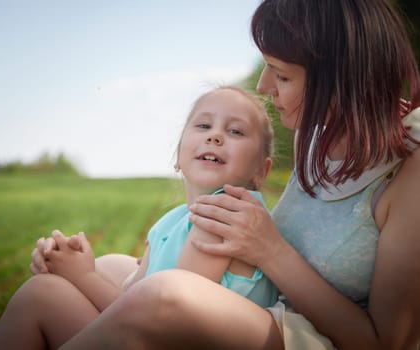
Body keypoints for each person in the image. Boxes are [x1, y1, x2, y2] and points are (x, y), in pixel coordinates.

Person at [45, 0, 419, 349]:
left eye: (282, 76)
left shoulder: (410, 174)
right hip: (274, 310)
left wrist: (270, 250)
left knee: (162, 293)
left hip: (313, 337)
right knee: (91, 274)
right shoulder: (317, 131)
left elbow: (388, 342)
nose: (263, 87)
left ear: (343, 82)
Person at [0, 86, 279, 349]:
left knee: (41, 296)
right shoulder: (170, 222)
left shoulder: (228, 215)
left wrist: (83, 276)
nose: (215, 136)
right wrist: (73, 268)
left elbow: (163, 323)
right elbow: (130, 299)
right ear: (178, 155)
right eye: (203, 125)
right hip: (146, 336)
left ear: (261, 172)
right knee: (44, 291)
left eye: (236, 131)